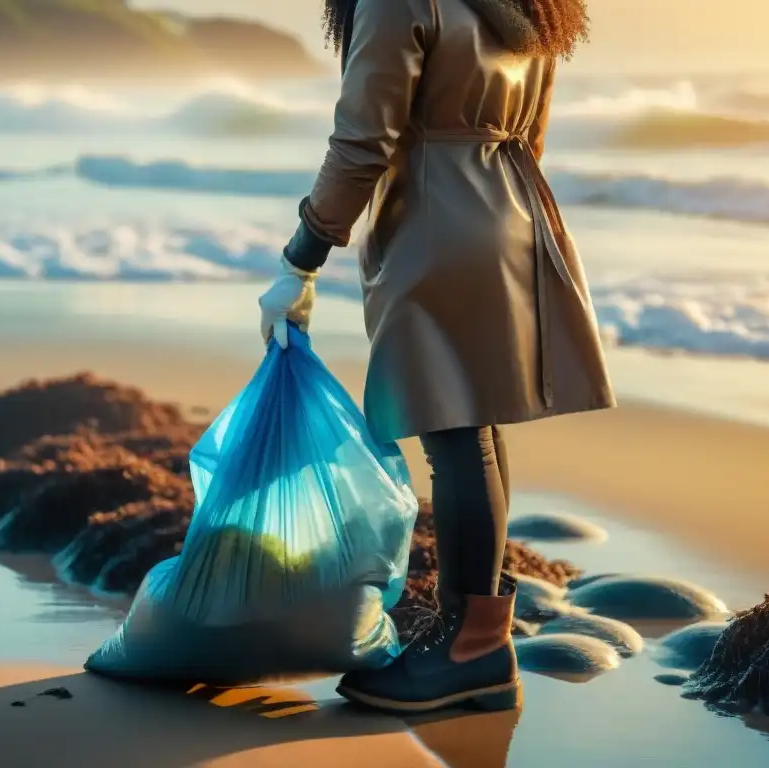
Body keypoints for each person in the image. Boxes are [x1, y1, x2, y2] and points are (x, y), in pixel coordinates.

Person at [257, 0, 615, 713]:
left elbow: (364, 140)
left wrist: (300, 260)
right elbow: (532, 127)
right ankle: (477, 635)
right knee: (475, 424)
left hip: (435, 220)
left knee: (454, 435)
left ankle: (470, 648)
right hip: (512, 208)